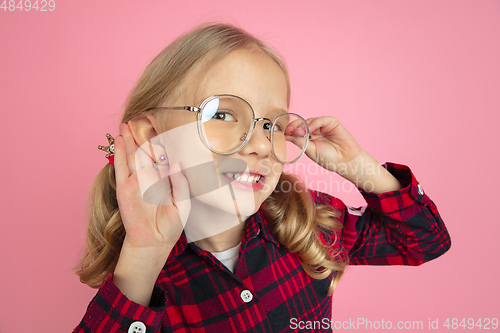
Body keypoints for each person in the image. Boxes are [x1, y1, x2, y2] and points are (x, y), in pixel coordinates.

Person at [74, 23, 451, 333]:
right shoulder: (142, 277)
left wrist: (358, 167)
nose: (260, 144)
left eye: (271, 124)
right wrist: (144, 255)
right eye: (222, 114)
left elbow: (424, 242)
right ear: (153, 135)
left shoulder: (310, 219)